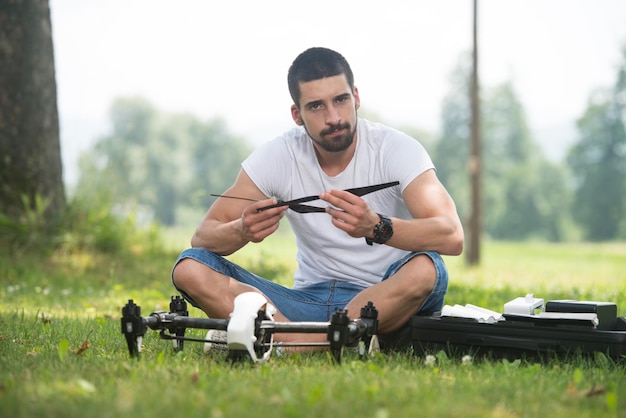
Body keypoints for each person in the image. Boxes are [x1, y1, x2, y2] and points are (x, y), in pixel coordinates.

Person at [171, 47, 464, 350]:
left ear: (357, 97)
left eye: (341, 100)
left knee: (428, 268)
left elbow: (451, 235)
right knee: (190, 266)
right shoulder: (279, 155)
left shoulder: (396, 149)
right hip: (305, 303)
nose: (334, 117)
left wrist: (376, 226)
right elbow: (203, 236)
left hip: (383, 297)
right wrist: (240, 230)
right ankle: (337, 340)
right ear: (297, 115)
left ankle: (286, 341)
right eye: (316, 106)